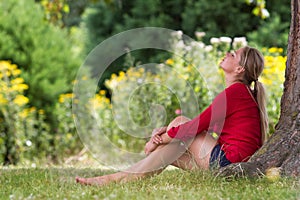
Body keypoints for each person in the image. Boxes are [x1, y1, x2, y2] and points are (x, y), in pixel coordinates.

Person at [76, 46, 268, 186]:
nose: (227, 53)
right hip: (231, 167)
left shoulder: (236, 92)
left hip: (230, 165)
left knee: (180, 126)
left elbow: (195, 127)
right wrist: (165, 135)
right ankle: (119, 179)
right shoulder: (240, 93)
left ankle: (111, 179)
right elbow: (210, 127)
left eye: (233, 55)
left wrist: (159, 139)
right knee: (168, 148)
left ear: (239, 69)